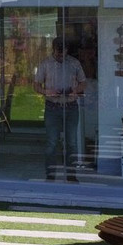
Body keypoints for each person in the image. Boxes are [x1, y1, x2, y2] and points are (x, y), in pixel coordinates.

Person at [34, 39, 87, 181]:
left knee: (72, 142)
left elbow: (83, 83)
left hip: (71, 106)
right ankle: (51, 174)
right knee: (52, 142)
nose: (60, 56)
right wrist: (47, 92)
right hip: (52, 106)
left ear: (67, 50)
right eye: (58, 53)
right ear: (53, 50)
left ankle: (71, 174)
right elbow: (36, 85)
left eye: (62, 53)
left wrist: (75, 90)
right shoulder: (45, 63)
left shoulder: (74, 63)